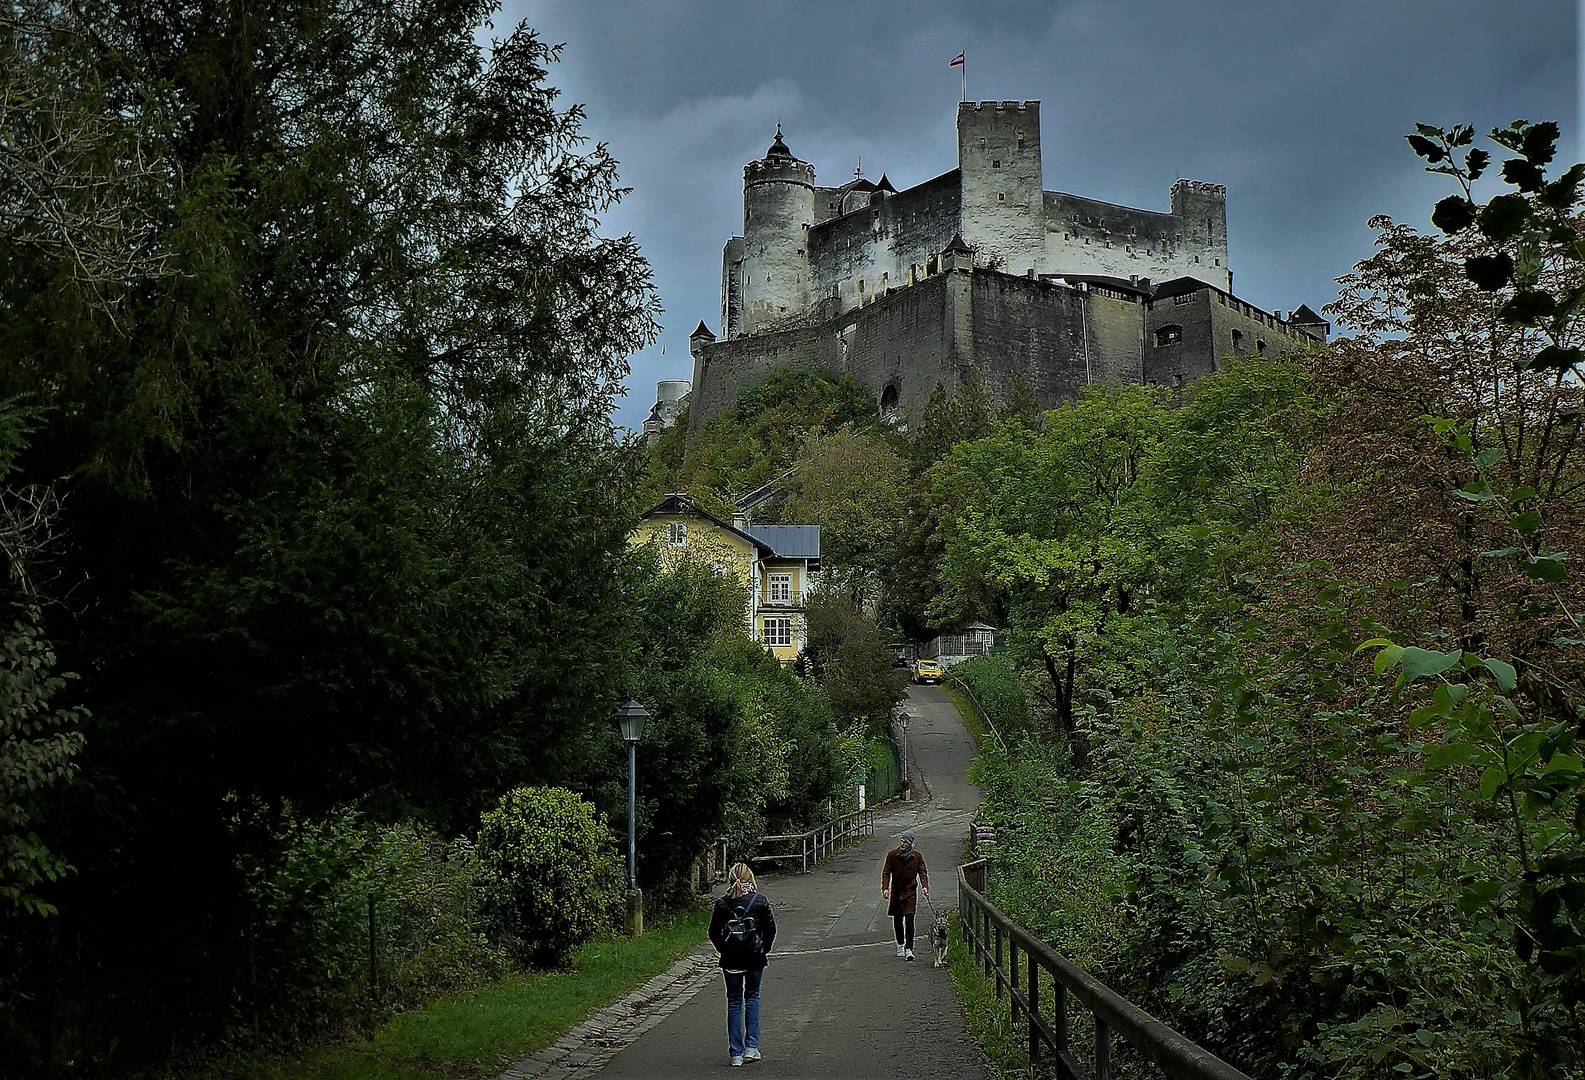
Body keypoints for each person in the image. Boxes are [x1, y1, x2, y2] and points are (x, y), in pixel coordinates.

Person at [709, 862, 777, 1067]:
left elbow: (713, 933)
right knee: (753, 997)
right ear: (751, 879)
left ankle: (735, 1054)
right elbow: (771, 929)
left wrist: (725, 949)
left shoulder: (722, 904)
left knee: (734, 1001)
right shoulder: (760, 901)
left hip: (731, 960)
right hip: (755, 958)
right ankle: (751, 1047)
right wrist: (763, 949)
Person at [881, 829, 929, 960]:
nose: (902, 844)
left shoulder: (917, 857)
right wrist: (885, 888)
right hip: (896, 891)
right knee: (897, 920)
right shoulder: (892, 855)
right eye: (901, 841)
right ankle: (900, 944)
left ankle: (909, 948)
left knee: (909, 920)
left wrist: (925, 886)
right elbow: (886, 873)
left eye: (905, 842)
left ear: (910, 844)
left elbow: (922, 872)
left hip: (910, 891)